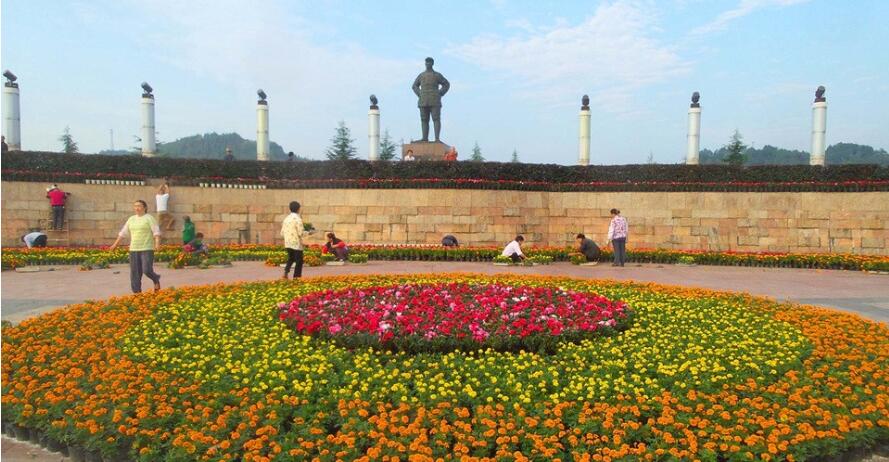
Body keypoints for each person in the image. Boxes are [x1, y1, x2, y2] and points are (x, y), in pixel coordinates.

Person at [109, 200, 162, 293]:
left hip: (147, 248)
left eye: (139, 206)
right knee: (135, 273)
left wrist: (157, 243)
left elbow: (156, 231)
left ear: (145, 207)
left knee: (147, 270)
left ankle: (155, 278)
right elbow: (123, 233)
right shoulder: (131, 219)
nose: (137, 208)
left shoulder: (149, 218)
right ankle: (137, 293)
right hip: (134, 249)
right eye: (135, 206)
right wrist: (115, 244)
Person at [280, 201, 310, 279]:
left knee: (291, 258)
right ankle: (296, 278)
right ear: (298, 209)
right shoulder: (297, 219)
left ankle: (286, 271)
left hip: (287, 242)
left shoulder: (286, 219)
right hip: (296, 243)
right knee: (299, 261)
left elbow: (282, 232)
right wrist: (309, 233)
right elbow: (300, 233)